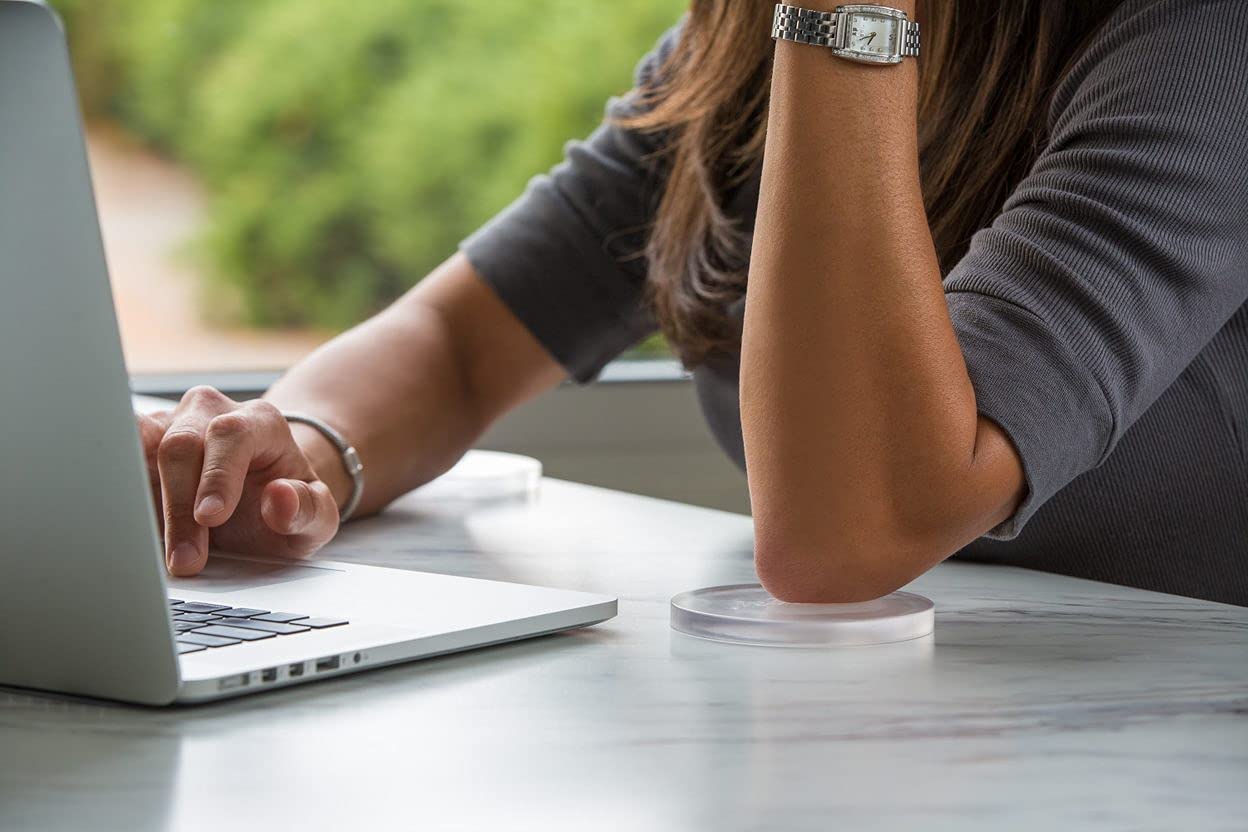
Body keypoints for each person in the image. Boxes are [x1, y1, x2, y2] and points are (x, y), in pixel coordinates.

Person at [138, 0, 1248, 606]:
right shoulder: (747, 44)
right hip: (891, 732)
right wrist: (300, 451)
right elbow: (464, 342)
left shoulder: (1208, 46)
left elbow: (845, 535)